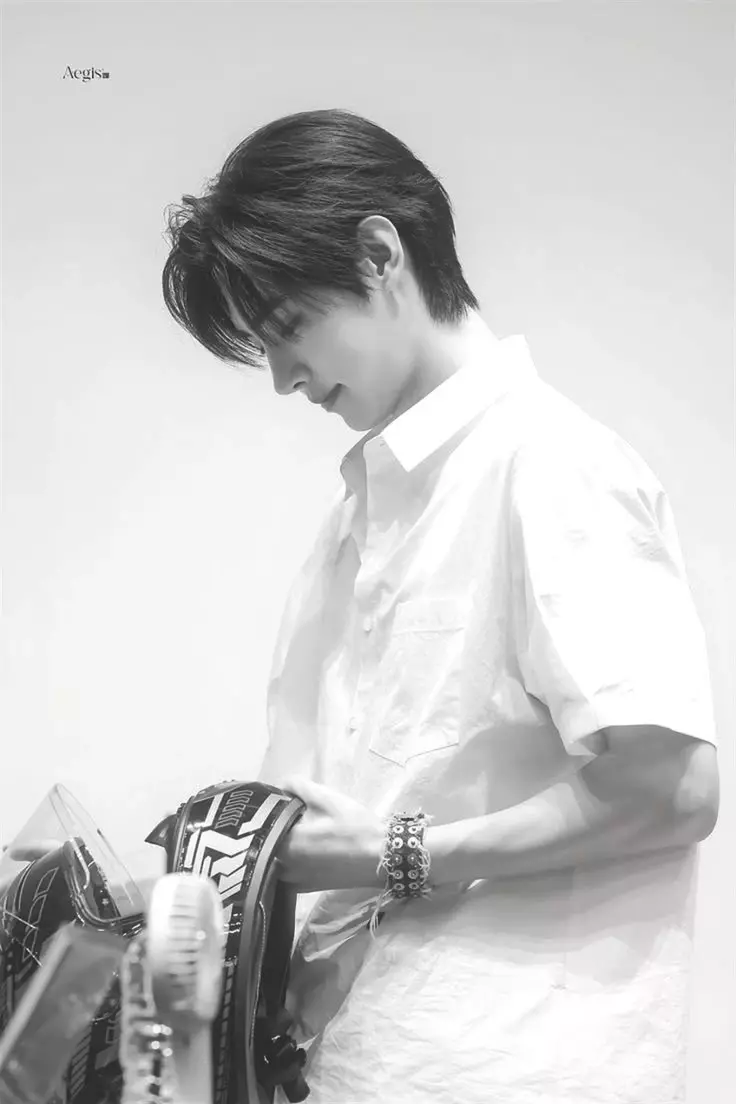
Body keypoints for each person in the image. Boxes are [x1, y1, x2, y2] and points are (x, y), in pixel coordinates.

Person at [163, 108, 717, 1103]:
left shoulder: (550, 466)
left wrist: (395, 855)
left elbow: (671, 789)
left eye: (286, 329)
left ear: (379, 254)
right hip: (366, 1060)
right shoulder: (354, 523)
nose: (282, 378)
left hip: (519, 1069)